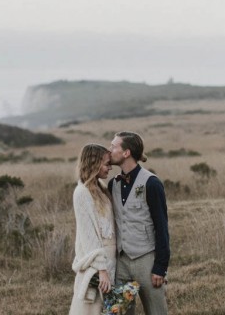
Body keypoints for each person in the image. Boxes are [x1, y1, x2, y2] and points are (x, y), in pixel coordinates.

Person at [108, 131, 170, 315]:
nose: (109, 150)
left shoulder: (152, 183)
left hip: (147, 262)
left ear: (126, 153)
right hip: (121, 264)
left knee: (157, 312)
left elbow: (162, 227)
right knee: (119, 312)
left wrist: (160, 266)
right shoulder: (113, 185)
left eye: (113, 146)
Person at [69, 144, 116, 315]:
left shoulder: (101, 188)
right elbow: (88, 235)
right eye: (106, 164)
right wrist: (102, 270)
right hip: (97, 262)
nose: (110, 168)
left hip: (111, 259)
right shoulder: (82, 193)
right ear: (94, 164)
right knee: (91, 308)